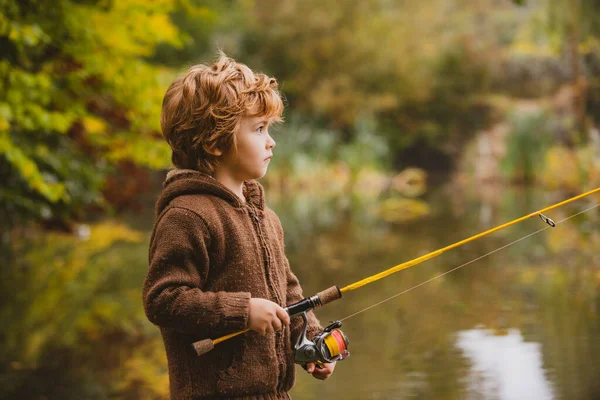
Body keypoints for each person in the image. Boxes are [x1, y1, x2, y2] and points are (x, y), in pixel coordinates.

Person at [142, 52, 336, 400]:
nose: (271, 140)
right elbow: (163, 299)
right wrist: (241, 311)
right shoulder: (187, 215)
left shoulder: (266, 217)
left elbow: (287, 292)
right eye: (259, 129)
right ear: (215, 142)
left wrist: (312, 340)